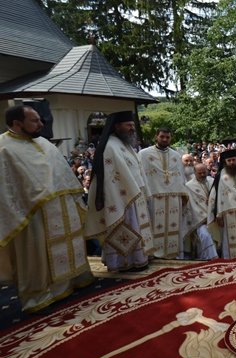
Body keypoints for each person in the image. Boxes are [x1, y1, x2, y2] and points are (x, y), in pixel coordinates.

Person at [0, 105, 93, 312]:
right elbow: (5, 188)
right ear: (16, 123)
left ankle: (71, 281)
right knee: (37, 253)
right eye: (35, 121)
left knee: (69, 245)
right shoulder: (3, 148)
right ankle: (39, 294)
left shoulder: (43, 142)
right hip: (31, 212)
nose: (41, 124)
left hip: (61, 206)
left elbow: (62, 174)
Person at [85, 111, 153, 272]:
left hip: (134, 196)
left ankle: (138, 257)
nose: (132, 129)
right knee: (129, 227)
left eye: (132, 125)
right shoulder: (110, 146)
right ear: (117, 126)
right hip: (122, 198)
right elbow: (110, 177)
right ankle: (122, 262)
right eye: (128, 125)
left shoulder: (126, 145)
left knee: (136, 227)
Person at [138, 128, 190, 259]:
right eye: (162, 137)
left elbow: (180, 177)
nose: (165, 139)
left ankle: (174, 254)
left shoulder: (176, 155)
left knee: (174, 226)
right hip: (154, 197)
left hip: (174, 197)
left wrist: (184, 195)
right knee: (154, 226)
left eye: (167, 137)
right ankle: (153, 254)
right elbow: (141, 176)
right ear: (156, 137)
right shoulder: (144, 154)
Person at [184, 163, 218, 260]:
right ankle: (212, 259)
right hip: (199, 221)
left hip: (215, 218)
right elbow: (191, 207)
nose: (203, 175)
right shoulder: (189, 186)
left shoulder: (213, 181)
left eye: (204, 172)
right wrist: (204, 219)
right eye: (200, 173)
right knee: (205, 235)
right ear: (194, 173)